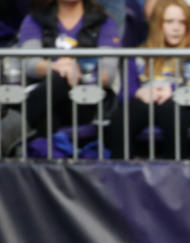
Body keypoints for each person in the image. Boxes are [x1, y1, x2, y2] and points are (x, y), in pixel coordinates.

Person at [0, 0, 120, 155]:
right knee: (49, 114)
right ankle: (45, 169)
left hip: (85, 100)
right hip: (45, 98)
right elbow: (30, 63)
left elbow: (107, 73)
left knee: (60, 81)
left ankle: (6, 132)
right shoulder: (36, 19)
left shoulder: (102, 20)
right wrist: (55, 67)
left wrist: (78, 72)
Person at [104, 0, 190, 159]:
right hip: (144, 108)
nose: (176, 28)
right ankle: (121, 172)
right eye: (169, 22)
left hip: (183, 112)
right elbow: (123, 97)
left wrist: (174, 92)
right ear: (157, 24)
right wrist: (140, 93)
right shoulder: (138, 56)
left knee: (170, 109)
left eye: (182, 22)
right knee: (126, 114)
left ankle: (175, 174)